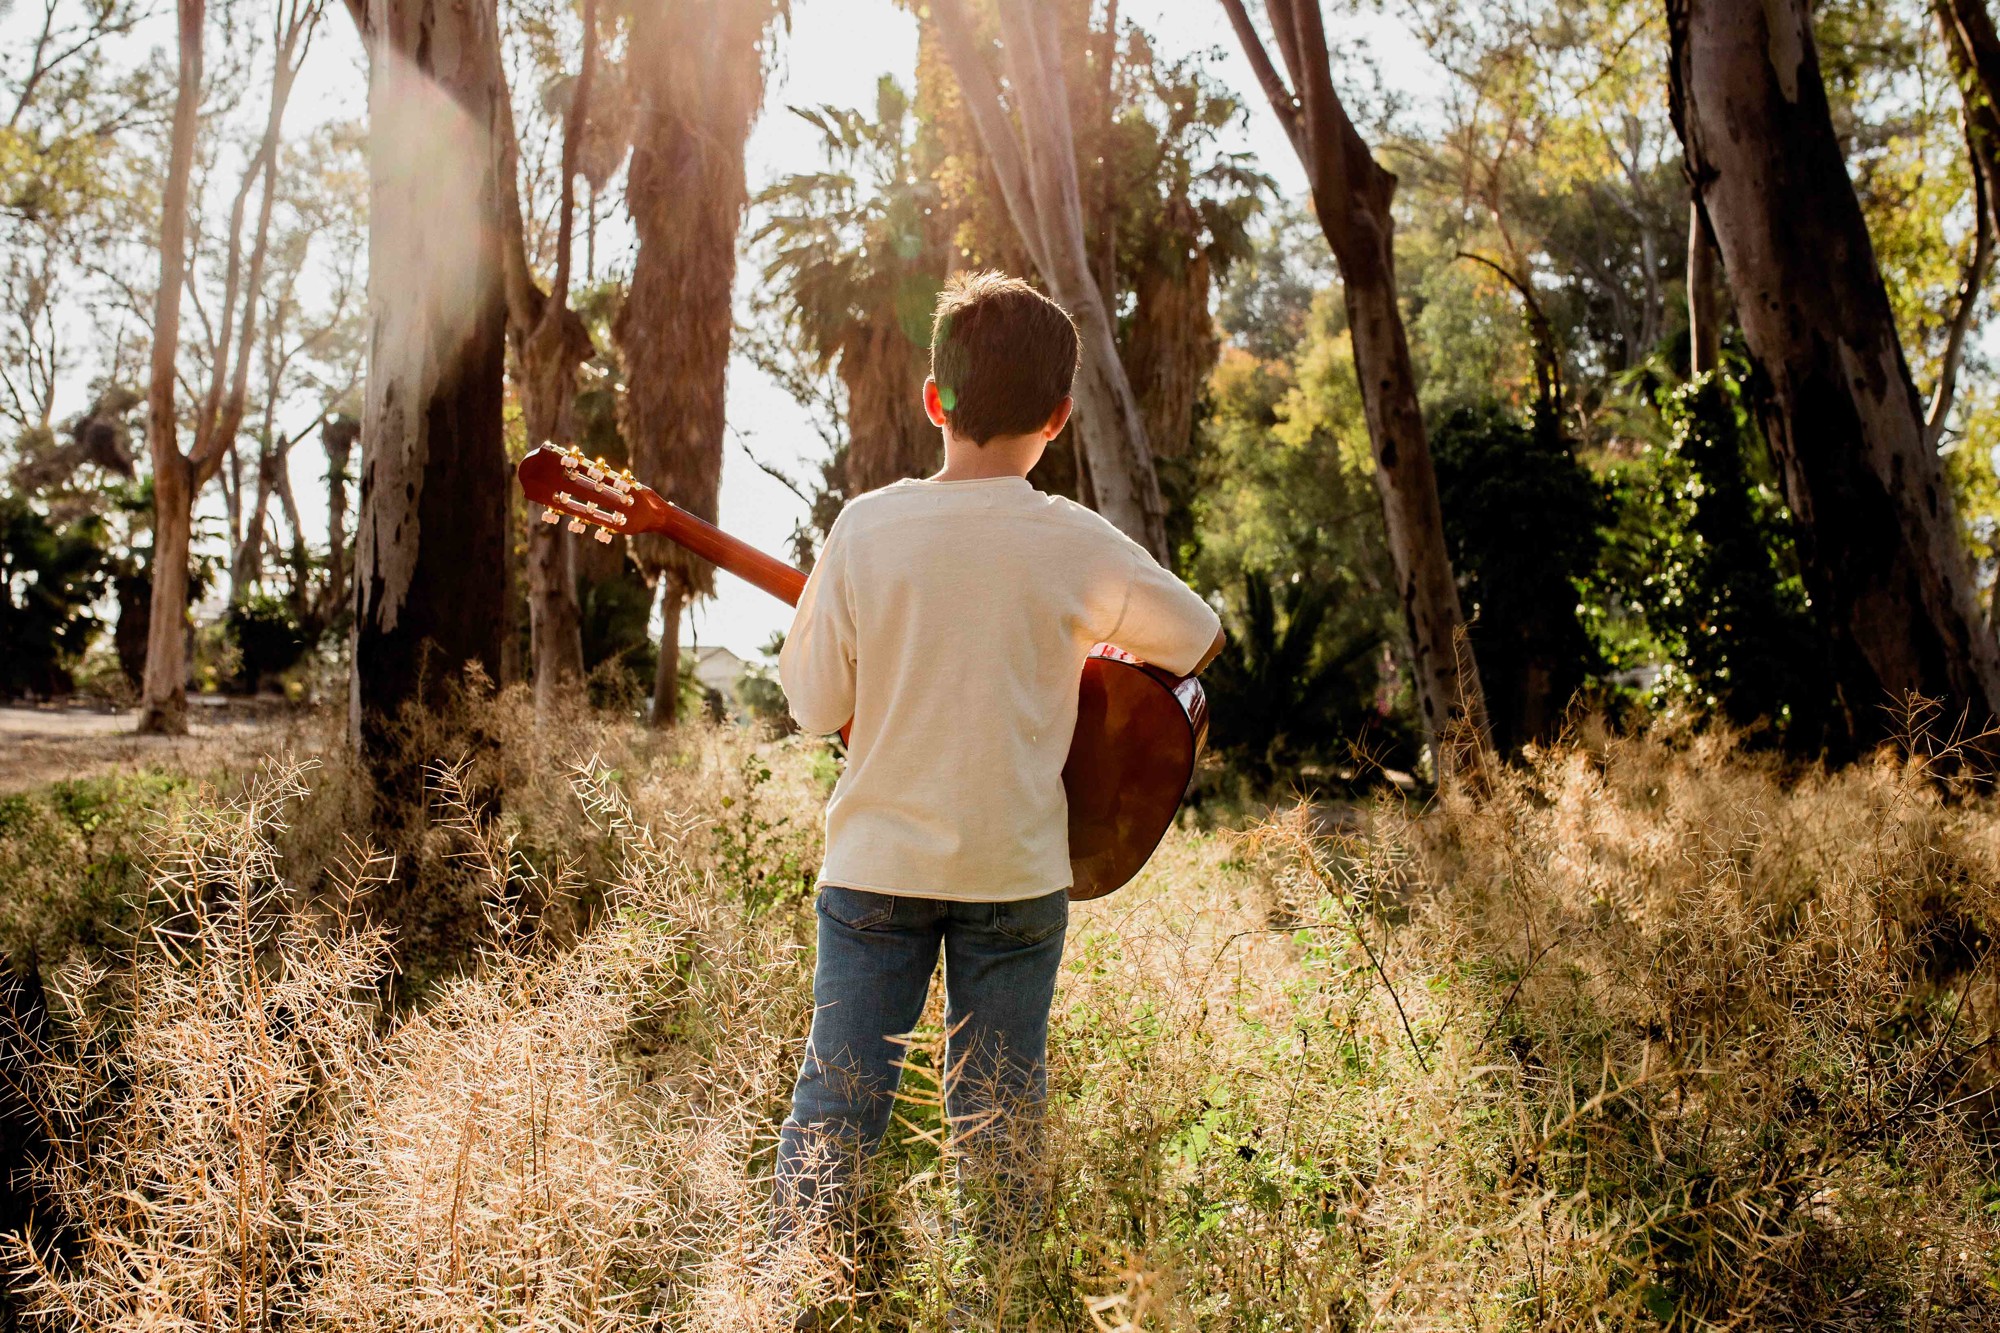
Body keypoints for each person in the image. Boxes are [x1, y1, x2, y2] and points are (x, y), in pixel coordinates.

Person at [772, 271, 1224, 1253]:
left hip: (875, 870)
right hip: (1014, 876)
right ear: (1058, 417)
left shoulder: (865, 526)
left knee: (835, 1109)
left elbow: (812, 706)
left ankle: (795, 1293)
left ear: (933, 400)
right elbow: (1196, 635)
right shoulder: (1071, 540)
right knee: (1000, 1128)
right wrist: (1091, 653)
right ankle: (994, 1300)